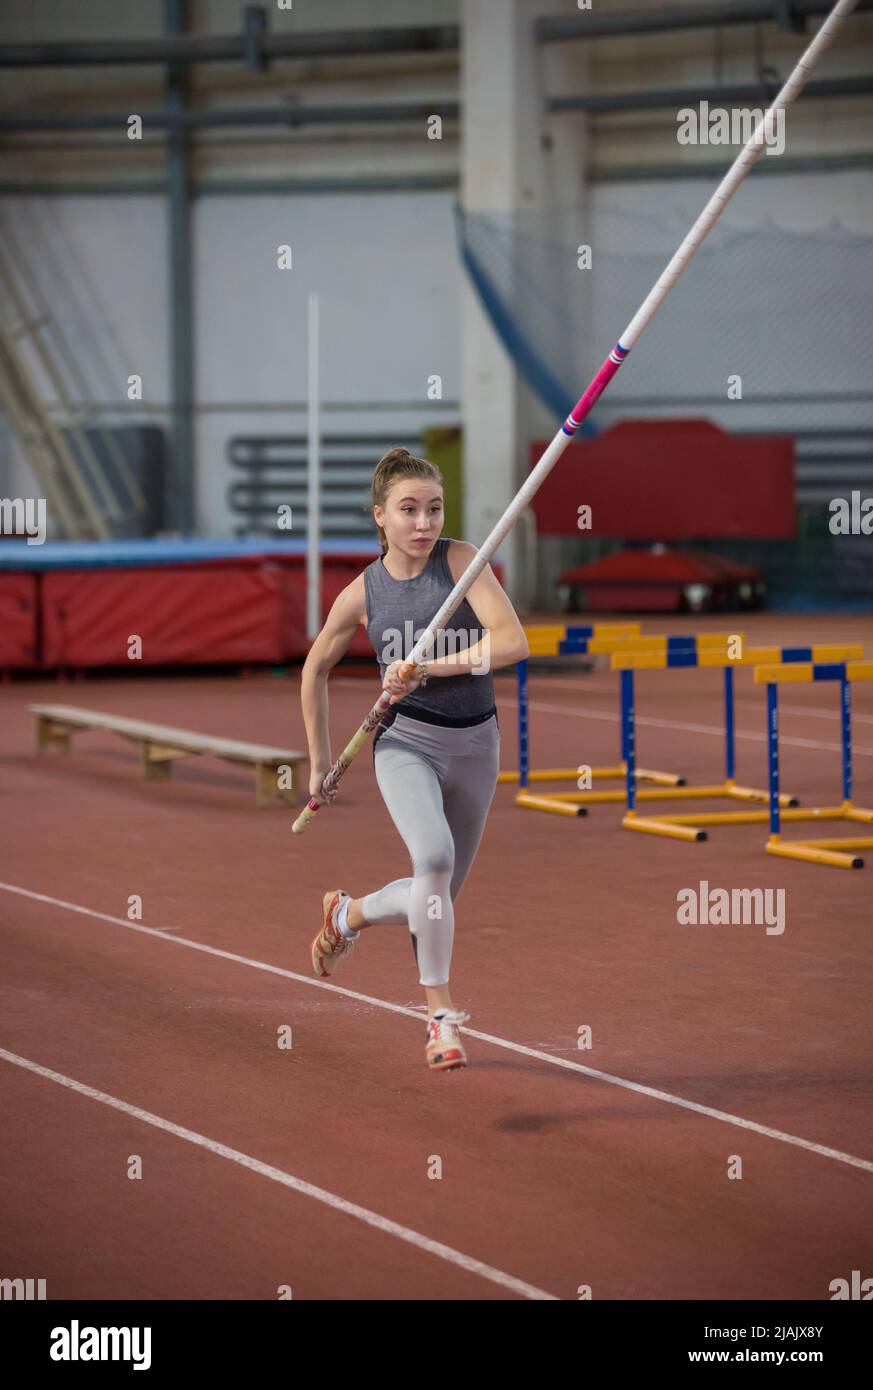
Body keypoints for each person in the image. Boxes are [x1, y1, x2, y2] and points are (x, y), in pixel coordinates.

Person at [300, 447, 528, 1071]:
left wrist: (429, 667)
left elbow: (511, 643)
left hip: (478, 744)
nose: (424, 523)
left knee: (436, 898)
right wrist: (319, 759)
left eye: (433, 509)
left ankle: (347, 915)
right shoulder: (364, 593)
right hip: (407, 743)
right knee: (432, 858)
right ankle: (440, 1018)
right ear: (381, 516)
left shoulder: (463, 562)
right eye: (409, 511)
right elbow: (315, 667)